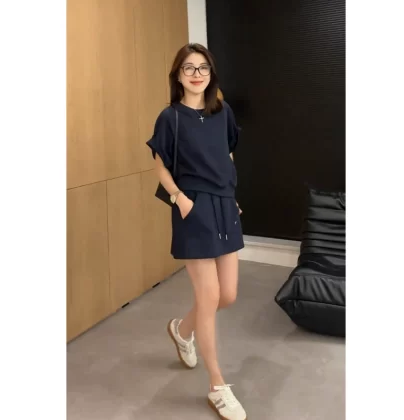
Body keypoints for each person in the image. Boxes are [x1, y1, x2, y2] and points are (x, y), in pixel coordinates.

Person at [146, 43, 247, 420]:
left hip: (224, 205)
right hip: (193, 206)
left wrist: (231, 196)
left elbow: (227, 155)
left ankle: (181, 329)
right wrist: (179, 199)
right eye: (188, 67)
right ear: (178, 74)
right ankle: (217, 385)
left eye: (203, 67)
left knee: (227, 295)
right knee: (209, 296)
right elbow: (160, 165)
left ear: (211, 74)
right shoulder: (169, 118)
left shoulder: (223, 112)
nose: (196, 74)